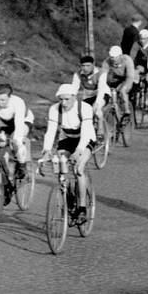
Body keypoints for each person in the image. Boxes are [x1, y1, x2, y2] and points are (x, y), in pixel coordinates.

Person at [39, 85, 95, 219]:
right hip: (67, 138)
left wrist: (79, 150)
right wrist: (46, 150)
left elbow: (87, 131)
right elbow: (51, 131)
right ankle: (66, 192)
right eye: (61, 99)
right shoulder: (54, 109)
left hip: (85, 139)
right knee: (60, 165)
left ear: (74, 97)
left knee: (78, 169)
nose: (64, 103)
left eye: (67, 99)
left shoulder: (85, 108)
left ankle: (82, 207)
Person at [103, 44, 136, 120]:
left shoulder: (127, 60)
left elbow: (130, 76)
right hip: (114, 79)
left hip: (127, 77)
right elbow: (103, 75)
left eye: (115, 57)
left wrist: (124, 86)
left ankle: (126, 110)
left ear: (120, 56)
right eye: (111, 57)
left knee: (122, 91)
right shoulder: (107, 61)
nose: (113, 59)